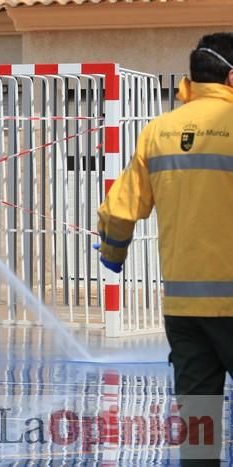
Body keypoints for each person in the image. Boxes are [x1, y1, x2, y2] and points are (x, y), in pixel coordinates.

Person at [96, 33, 233, 465]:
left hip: (183, 308)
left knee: (198, 427)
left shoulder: (158, 131)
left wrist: (113, 256)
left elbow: (118, 210)